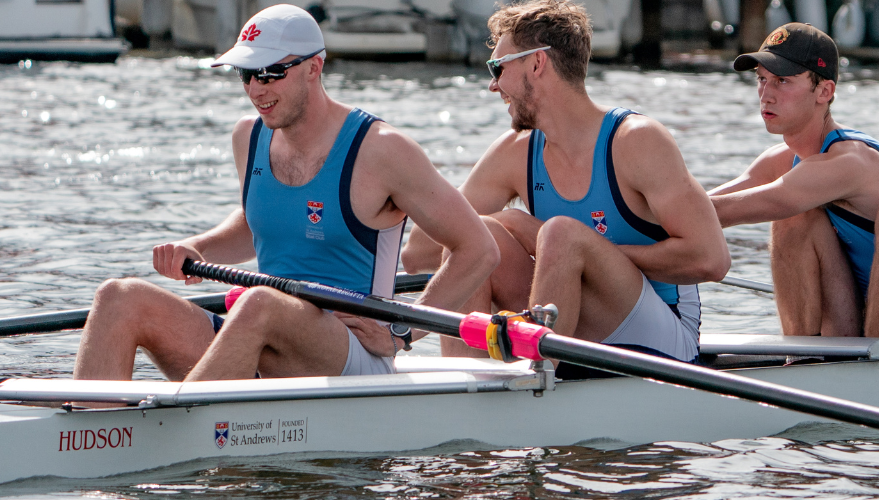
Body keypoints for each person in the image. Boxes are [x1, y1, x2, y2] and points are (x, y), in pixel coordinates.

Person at [72, 5, 498, 383]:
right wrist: (198, 247)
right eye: (246, 74)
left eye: (270, 72)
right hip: (259, 334)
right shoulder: (248, 136)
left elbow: (478, 248)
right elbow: (255, 224)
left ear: (314, 67)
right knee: (118, 297)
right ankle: (88, 437)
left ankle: (185, 433)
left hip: (350, 355)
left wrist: (404, 331)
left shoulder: (383, 150)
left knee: (261, 302)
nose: (256, 89)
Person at [401, 0, 729, 376]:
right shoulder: (516, 153)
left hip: (663, 337)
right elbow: (418, 254)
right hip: (575, 323)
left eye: (498, 67)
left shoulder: (637, 141)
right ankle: (467, 384)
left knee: (560, 234)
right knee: (482, 235)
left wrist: (568, 249)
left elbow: (712, 259)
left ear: (537, 63)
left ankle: (535, 379)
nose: (493, 85)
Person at [707, 23, 879, 356]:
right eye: (762, 79)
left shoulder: (851, 161)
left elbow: (733, 209)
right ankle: (803, 360)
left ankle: (873, 368)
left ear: (824, 91)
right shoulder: (782, 160)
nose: (766, 94)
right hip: (857, 320)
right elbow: (706, 205)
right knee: (794, 219)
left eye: (783, 80)